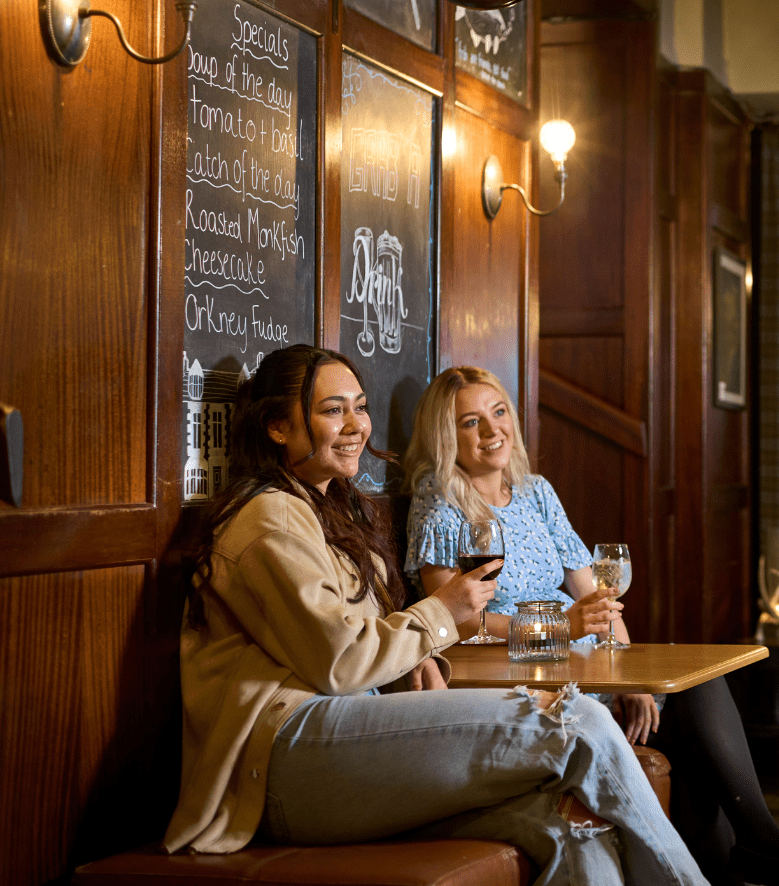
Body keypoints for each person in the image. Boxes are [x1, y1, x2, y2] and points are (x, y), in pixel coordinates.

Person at [164, 343, 713, 886]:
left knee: (569, 823)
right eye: (333, 410)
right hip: (285, 756)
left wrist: (412, 661)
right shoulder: (271, 518)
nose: (356, 424)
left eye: (360, 406)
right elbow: (341, 663)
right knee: (576, 721)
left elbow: (346, 639)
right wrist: (439, 615)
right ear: (277, 428)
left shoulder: (330, 508)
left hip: (343, 739)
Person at [404, 365, 779, 886]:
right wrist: (557, 627)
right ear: (445, 437)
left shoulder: (535, 491)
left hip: (587, 659)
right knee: (687, 732)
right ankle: (753, 849)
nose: (492, 429)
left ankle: (754, 840)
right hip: (523, 673)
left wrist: (629, 672)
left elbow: (595, 595)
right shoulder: (439, 500)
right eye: (470, 422)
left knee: (696, 694)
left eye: (498, 412)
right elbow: (451, 614)